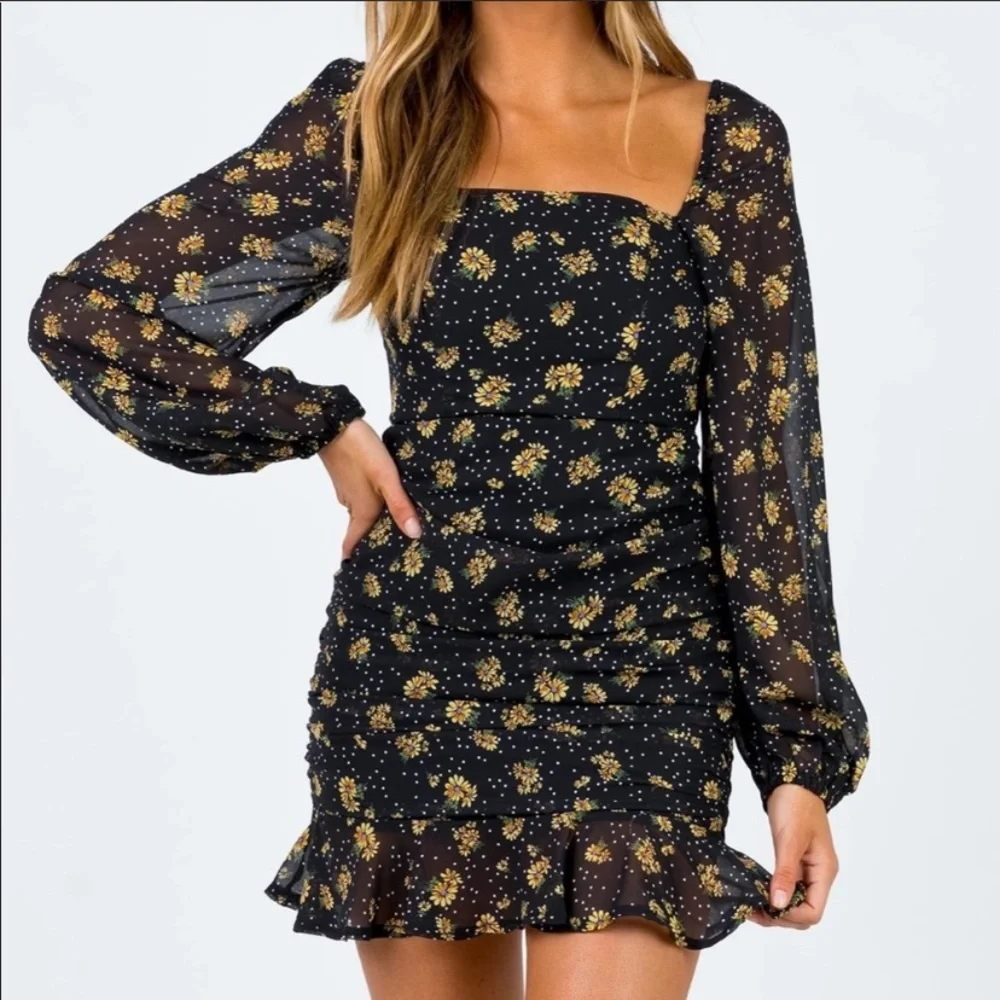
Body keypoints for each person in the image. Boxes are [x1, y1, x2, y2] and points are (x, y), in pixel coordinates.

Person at [25, 2, 870, 998]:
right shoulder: (374, 123)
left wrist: (796, 757)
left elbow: (764, 465)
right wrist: (317, 424)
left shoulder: (727, 141)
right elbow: (89, 315)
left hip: (642, 674)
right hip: (419, 670)